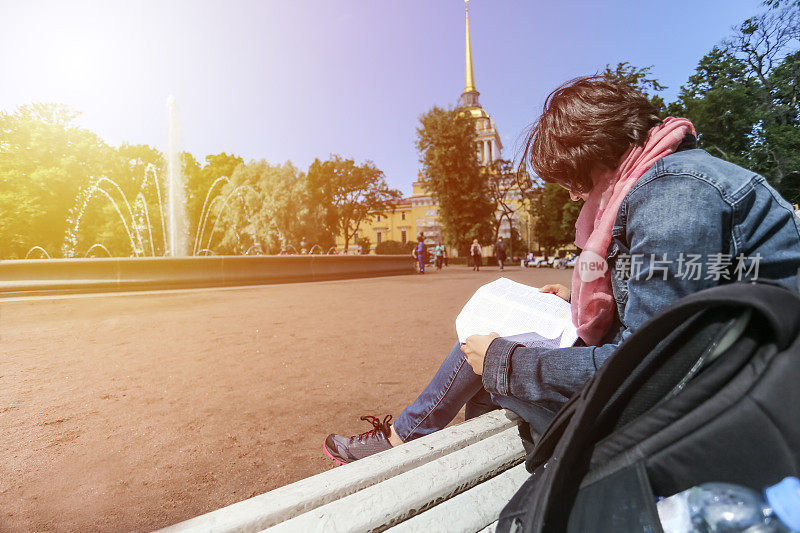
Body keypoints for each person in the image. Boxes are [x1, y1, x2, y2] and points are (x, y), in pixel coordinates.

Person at [323, 76, 800, 465]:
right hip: (736, 386)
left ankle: (409, 438)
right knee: (494, 353)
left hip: (727, 419)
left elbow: (654, 367)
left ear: (593, 152)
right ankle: (414, 434)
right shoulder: (670, 180)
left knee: (492, 358)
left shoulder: (673, 195)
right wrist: (577, 303)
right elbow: (672, 309)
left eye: (573, 180)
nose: (573, 195)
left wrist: (506, 362)